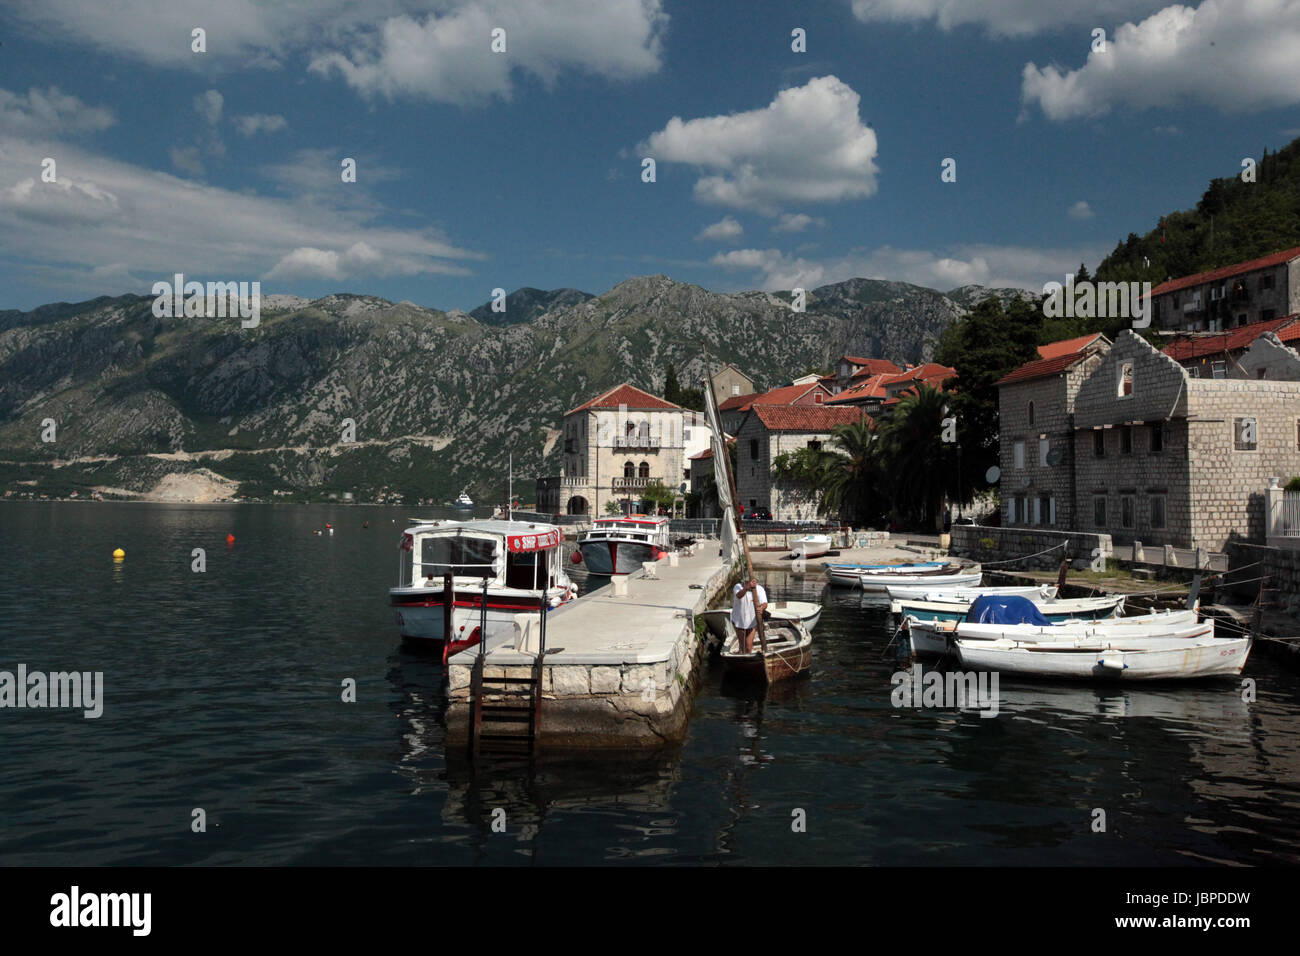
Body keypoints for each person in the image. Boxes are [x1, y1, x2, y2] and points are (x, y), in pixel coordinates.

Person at [731, 578, 768, 653]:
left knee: (748, 647)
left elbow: (765, 603)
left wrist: (761, 608)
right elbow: (738, 595)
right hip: (738, 621)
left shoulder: (759, 589)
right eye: (748, 582)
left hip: (752, 622)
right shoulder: (737, 586)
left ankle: (748, 660)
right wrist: (746, 588)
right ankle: (740, 656)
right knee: (742, 647)